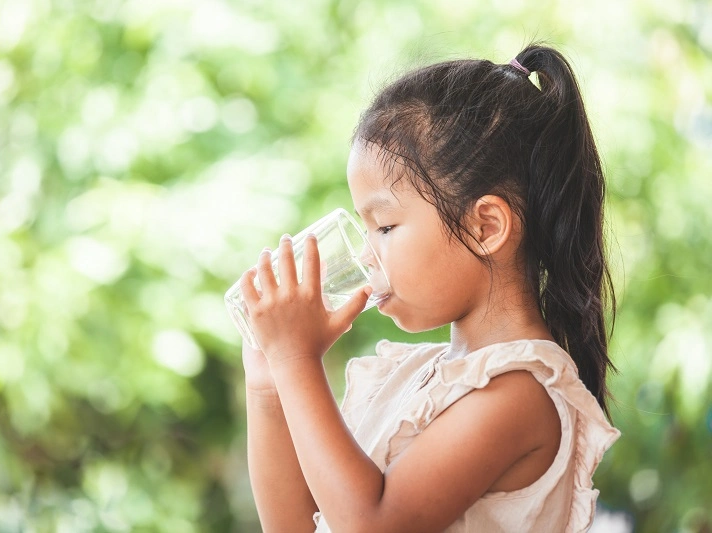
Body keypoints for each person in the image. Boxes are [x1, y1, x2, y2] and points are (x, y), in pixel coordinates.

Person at [237, 43, 621, 532]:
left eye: (385, 227)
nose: (363, 255)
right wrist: (270, 383)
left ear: (486, 227)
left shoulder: (520, 393)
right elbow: (294, 527)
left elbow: (372, 524)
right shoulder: (414, 380)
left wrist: (297, 361)